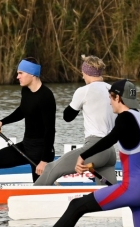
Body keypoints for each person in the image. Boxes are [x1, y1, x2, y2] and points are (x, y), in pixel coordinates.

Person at [52, 80, 140, 227]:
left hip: (132, 189)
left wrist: (83, 155)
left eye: (110, 97)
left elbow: (110, 138)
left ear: (118, 98)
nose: (110, 102)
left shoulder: (125, 117)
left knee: (76, 206)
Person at [0, 59, 56, 183]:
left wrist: (44, 161)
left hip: (41, 153)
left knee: (39, 191)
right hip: (26, 146)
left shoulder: (46, 96)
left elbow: (50, 130)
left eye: (20, 73)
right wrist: (1, 122)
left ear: (32, 74)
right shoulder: (26, 90)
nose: (17, 77)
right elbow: (22, 110)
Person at [35, 55, 117, 186]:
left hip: (94, 148)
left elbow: (67, 117)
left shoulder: (84, 90)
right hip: (110, 152)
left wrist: (77, 104)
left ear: (86, 72)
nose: (82, 77)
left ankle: (28, 199)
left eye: (83, 74)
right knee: (110, 194)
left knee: (51, 168)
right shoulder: (112, 90)